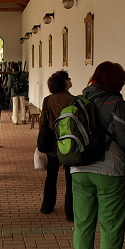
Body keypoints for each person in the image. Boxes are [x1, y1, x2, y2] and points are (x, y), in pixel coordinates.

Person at [69, 61, 125, 249]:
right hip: (110, 169)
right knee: (111, 219)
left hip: (79, 168)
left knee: (83, 217)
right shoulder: (115, 102)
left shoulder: (78, 100)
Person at [39, 70, 75, 221]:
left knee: (51, 176)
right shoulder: (74, 100)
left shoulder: (48, 100)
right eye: (68, 78)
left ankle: (47, 206)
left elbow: (43, 122)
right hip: (69, 143)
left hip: (53, 144)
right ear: (64, 82)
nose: (71, 80)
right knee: (70, 179)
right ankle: (70, 212)